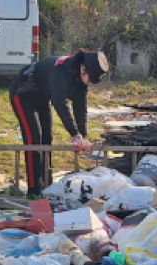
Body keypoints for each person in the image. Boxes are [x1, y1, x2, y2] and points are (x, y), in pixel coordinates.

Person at [9, 49, 109, 194]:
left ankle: (46, 184)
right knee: (34, 139)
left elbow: (80, 108)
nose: (89, 83)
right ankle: (33, 188)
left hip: (42, 96)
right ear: (83, 68)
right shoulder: (61, 69)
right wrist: (74, 133)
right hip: (23, 94)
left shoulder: (81, 82)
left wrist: (83, 135)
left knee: (47, 138)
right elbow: (60, 103)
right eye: (90, 78)